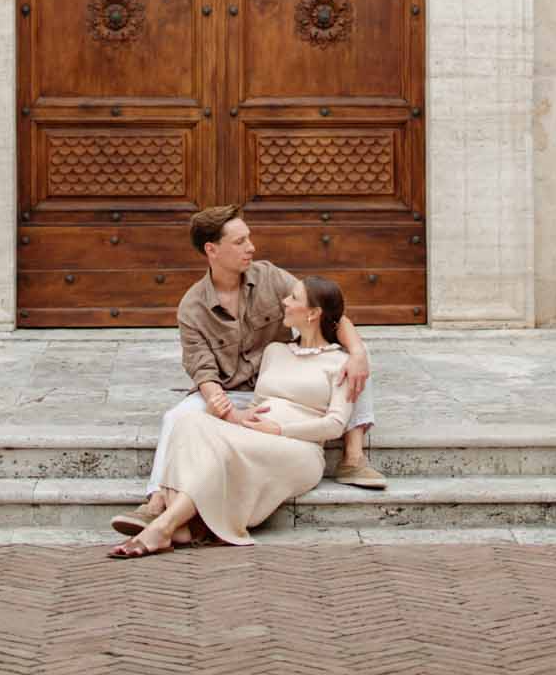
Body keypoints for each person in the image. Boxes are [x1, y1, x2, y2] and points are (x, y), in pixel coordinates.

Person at [112, 204, 385, 540]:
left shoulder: (270, 277)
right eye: (240, 242)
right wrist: (225, 409)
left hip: (281, 387)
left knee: (357, 357)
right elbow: (201, 367)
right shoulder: (192, 305)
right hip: (228, 391)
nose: (251, 248)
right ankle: (156, 501)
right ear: (212, 250)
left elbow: (326, 310)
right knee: (177, 418)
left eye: (249, 239)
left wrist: (357, 352)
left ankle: (353, 455)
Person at [109, 274, 355, 555]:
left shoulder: (341, 363)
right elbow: (259, 401)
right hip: (252, 435)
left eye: (294, 298)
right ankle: (175, 526)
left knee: (221, 450)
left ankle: (164, 526)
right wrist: (237, 418)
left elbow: (335, 425)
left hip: (300, 449)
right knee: (187, 421)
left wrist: (279, 430)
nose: (284, 301)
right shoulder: (275, 351)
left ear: (313, 313)